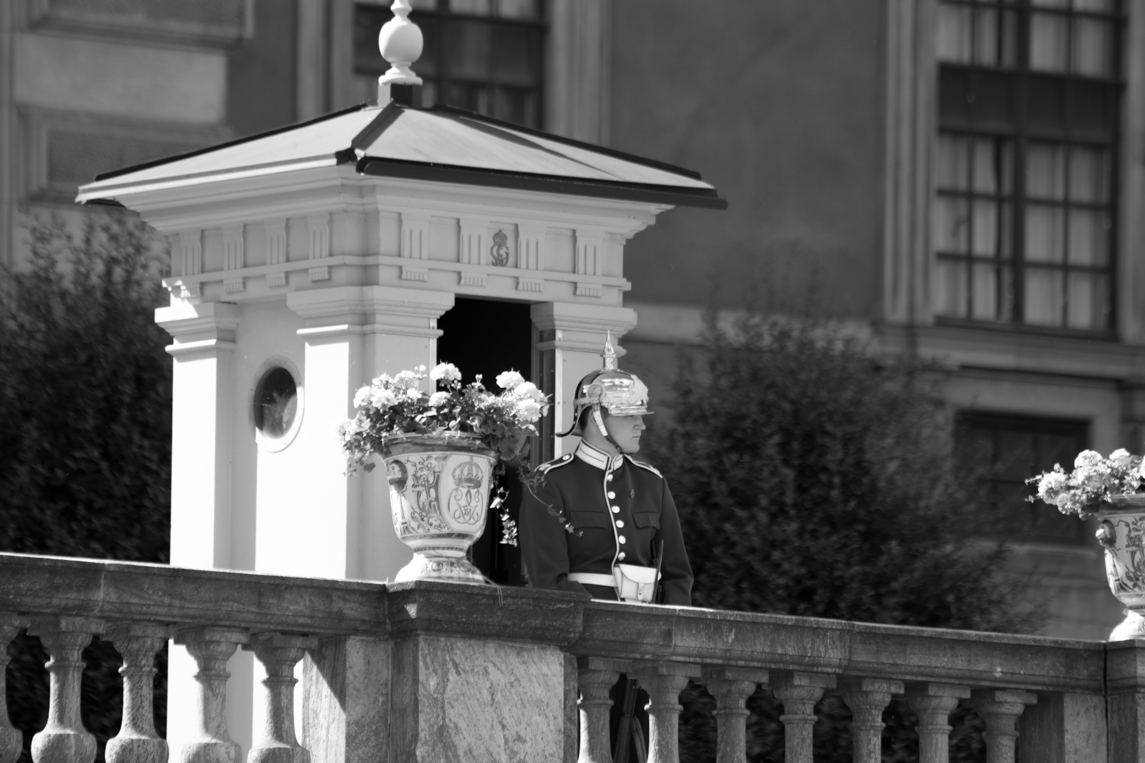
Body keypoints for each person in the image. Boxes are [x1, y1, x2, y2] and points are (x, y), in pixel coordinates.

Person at [519, 336, 693, 606]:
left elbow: (677, 576)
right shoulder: (549, 482)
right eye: (629, 415)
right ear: (595, 416)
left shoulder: (652, 483)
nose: (641, 425)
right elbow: (548, 580)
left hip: (645, 631)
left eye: (641, 415)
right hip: (581, 628)